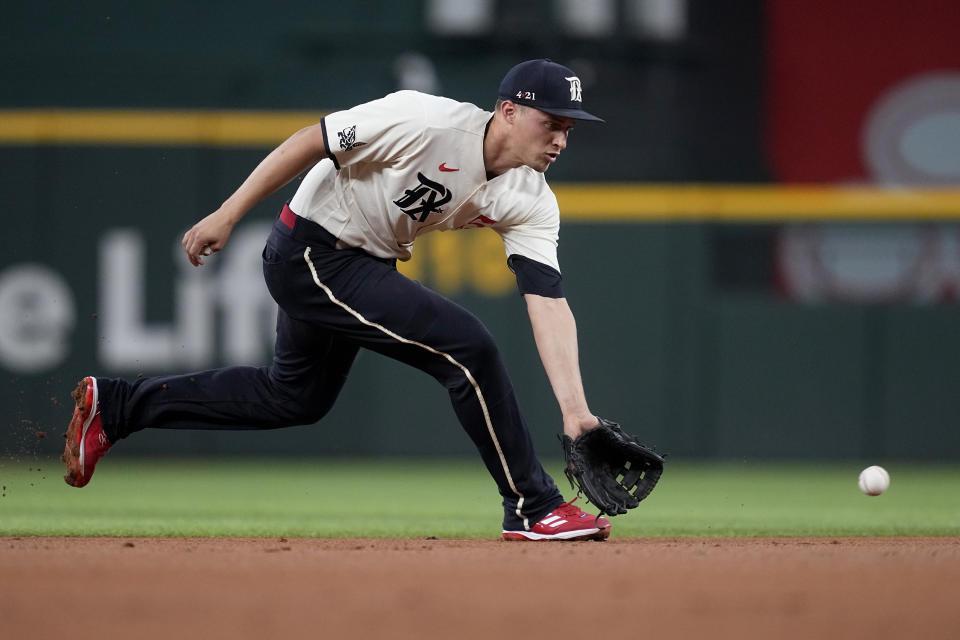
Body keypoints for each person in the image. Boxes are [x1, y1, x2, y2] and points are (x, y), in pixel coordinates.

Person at [62, 59, 612, 541]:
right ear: (510, 111)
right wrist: (228, 213)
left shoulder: (531, 199)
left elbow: (547, 300)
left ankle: (116, 406)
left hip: (362, 260)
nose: (560, 140)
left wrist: (576, 413)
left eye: (568, 129)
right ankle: (532, 507)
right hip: (312, 251)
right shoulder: (425, 119)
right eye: (551, 124)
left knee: (294, 398)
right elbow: (312, 139)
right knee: (468, 348)